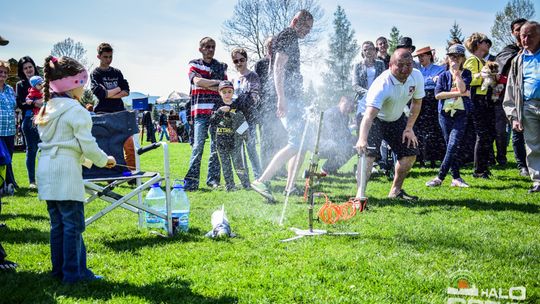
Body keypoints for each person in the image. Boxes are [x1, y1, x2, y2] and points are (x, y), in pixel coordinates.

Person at [35, 55, 116, 283]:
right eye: (84, 83)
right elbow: (87, 145)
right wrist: (104, 160)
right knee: (73, 225)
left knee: (58, 224)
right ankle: (75, 274)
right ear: (74, 84)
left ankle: (60, 271)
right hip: (66, 171)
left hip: (47, 170)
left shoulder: (46, 109)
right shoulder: (76, 110)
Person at [250, 10, 314, 202]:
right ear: (296, 21)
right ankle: (261, 180)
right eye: (306, 27)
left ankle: (289, 187)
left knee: (302, 143)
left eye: (310, 29)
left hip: (294, 98)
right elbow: (278, 67)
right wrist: (281, 98)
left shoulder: (291, 38)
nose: (308, 32)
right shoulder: (287, 35)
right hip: (288, 99)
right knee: (296, 142)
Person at [355, 49, 425, 201]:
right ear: (390, 65)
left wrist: (409, 128)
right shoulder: (382, 85)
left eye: (408, 65)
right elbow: (368, 116)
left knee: (410, 152)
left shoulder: (417, 76)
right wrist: (362, 139)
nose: (405, 69)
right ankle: (359, 196)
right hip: (373, 118)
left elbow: (417, 102)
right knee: (368, 155)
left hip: (395, 118)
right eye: (400, 65)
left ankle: (395, 191)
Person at [426, 44, 472, 188]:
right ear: (448, 58)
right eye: (452, 56)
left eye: (458, 56)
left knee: (453, 144)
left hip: (461, 113)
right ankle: (456, 178)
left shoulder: (466, 73)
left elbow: (464, 87)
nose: (455, 59)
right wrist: (460, 93)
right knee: (450, 146)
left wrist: (457, 74)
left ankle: (440, 177)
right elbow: (438, 95)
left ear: (462, 58)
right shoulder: (443, 75)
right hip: (445, 115)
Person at [184, 37, 227, 191]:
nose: (210, 49)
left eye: (212, 47)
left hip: (216, 110)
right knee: (198, 147)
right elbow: (196, 82)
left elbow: (225, 88)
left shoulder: (220, 66)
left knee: (216, 148)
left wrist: (207, 83)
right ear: (200, 49)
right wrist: (215, 83)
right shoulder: (194, 64)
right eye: (207, 47)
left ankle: (213, 180)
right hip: (200, 111)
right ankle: (191, 182)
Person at [504, 21, 540, 193]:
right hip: (528, 106)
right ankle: (538, 180)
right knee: (533, 145)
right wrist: (514, 116)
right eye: (522, 36)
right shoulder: (518, 60)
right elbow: (510, 89)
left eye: (530, 35)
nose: (525, 39)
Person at [90, 43, 135, 170]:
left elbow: (126, 91)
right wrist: (118, 89)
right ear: (98, 56)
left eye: (110, 57)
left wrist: (110, 94)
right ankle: (110, 175)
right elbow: (100, 94)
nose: (108, 60)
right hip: (103, 114)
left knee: (129, 145)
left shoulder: (117, 72)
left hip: (120, 113)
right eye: (105, 57)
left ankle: (132, 174)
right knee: (107, 147)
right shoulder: (95, 74)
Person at [496, 18, 529, 177]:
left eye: (523, 28)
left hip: (533, 95)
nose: (521, 31)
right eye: (517, 29)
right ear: (513, 32)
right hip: (514, 96)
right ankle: (522, 165)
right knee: (517, 132)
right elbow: (501, 69)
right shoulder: (509, 50)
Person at [464, 33, 495, 179]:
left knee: (488, 134)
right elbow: (468, 80)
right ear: (477, 44)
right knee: (482, 135)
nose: (488, 44)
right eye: (485, 42)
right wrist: (484, 75)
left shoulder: (482, 61)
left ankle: (484, 167)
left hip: (485, 100)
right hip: (476, 101)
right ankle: (479, 170)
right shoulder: (472, 60)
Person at [254, 37, 287, 170]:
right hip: (265, 107)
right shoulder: (260, 63)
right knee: (266, 139)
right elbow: (256, 85)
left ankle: (279, 168)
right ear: (265, 48)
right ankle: (265, 168)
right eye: (269, 45)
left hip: (280, 106)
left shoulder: (282, 62)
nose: (271, 48)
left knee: (280, 137)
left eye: (273, 45)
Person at [212, 80, 251, 191]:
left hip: (235, 142)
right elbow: (212, 122)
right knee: (225, 165)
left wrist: (242, 135)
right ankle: (230, 185)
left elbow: (244, 123)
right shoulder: (217, 106)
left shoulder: (237, 105)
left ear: (233, 92)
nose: (227, 94)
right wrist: (219, 112)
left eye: (229, 91)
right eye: (224, 92)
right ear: (220, 93)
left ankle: (246, 183)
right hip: (221, 141)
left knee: (239, 164)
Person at [231, 48, 262, 179]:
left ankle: (258, 177)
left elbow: (254, 98)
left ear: (246, 59)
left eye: (241, 60)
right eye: (236, 61)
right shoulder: (233, 79)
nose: (239, 63)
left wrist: (241, 101)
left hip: (249, 119)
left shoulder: (253, 76)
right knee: (239, 149)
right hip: (237, 119)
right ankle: (245, 179)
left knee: (250, 148)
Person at [413, 46, 446, 167]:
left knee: (436, 129)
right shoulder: (417, 71)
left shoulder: (439, 69)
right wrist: (430, 80)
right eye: (419, 57)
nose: (420, 59)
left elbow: (439, 83)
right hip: (421, 100)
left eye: (422, 56)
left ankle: (436, 157)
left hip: (434, 101)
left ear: (429, 56)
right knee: (421, 130)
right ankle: (423, 157)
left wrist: (429, 81)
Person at [0, 59, 18, 271]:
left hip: (8, 134)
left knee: (5, 172)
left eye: (5, 73)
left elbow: (14, 108)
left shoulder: (10, 92)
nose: (2, 76)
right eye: (0, 72)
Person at [15, 56, 41, 189]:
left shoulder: (43, 81)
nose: (28, 70)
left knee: (47, 149)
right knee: (31, 150)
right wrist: (36, 103)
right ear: (22, 71)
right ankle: (32, 181)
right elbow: (21, 103)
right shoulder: (21, 85)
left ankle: (47, 178)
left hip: (45, 119)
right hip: (29, 120)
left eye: (30, 67)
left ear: (34, 67)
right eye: (25, 68)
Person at [319, 96, 356, 175]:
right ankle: (326, 169)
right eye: (346, 106)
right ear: (341, 102)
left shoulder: (345, 116)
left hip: (334, 142)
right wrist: (348, 133)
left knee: (355, 144)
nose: (348, 109)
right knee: (345, 148)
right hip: (322, 144)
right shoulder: (331, 113)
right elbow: (332, 134)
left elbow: (345, 133)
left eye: (350, 107)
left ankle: (331, 167)